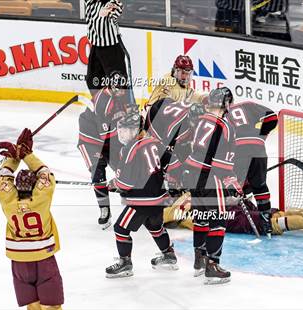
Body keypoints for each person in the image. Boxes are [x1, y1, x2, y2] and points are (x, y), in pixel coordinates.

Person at [105, 113, 182, 278]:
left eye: (125, 130)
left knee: (120, 228)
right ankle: (168, 255)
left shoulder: (129, 149)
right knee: (155, 226)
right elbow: (174, 163)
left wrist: (114, 185)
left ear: (136, 129)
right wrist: (173, 182)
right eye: (121, 130)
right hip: (159, 198)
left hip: (141, 201)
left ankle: (125, 263)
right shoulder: (156, 143)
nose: (122, 133)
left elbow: (125, 183)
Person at [0, 128, 64, 310]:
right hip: (43, 256)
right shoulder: (41, 200)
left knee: (33, 304)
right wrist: (27, 154)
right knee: (52, 305)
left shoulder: (8, 202)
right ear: (34, 186)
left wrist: (14, 157)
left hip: (19, 261)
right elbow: (46, 175)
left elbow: (3, 179)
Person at [183, 87, 241, 284]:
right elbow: (222, 164)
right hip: (208, 175)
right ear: (226, 104)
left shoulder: (201, 120)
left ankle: (199, 261)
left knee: (201, 216)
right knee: (218, 218)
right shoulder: (226, 126)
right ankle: (212, 265)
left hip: (191, 172)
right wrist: (232, 183)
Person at [78, 72, 135, 229]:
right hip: (91, 140)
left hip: (111, 138)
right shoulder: (103, 102)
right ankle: (104, 209)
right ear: (112, 87)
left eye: (125, 89)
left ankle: (135, 204)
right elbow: (108, 138)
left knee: (126, 172)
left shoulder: (122, 95)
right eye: (121, 89)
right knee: (98, 172)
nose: (124, 92)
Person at [163, 196, 303, 239]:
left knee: (267, 224)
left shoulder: (171, 211)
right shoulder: (186, 193)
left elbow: (159, 217)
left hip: (224, 214)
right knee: (269, 213)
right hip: (228, 200)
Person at [226, 93, 278, 238]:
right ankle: (266, 221)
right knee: (260, 186)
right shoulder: (248, 105)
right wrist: (261, 135)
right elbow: (272, 116)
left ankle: (234, 211)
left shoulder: (222, 114)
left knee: (235, 184)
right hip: (258, 146)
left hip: (238, 148)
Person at [85, 0, 128, 96]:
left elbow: (117, 9)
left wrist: (109, 9)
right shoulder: (90, 2)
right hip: (96, 46)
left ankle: (123, 107)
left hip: (111, 48)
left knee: (118, 83)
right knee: (93, 80)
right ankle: (100, 105)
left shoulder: (110, 2)